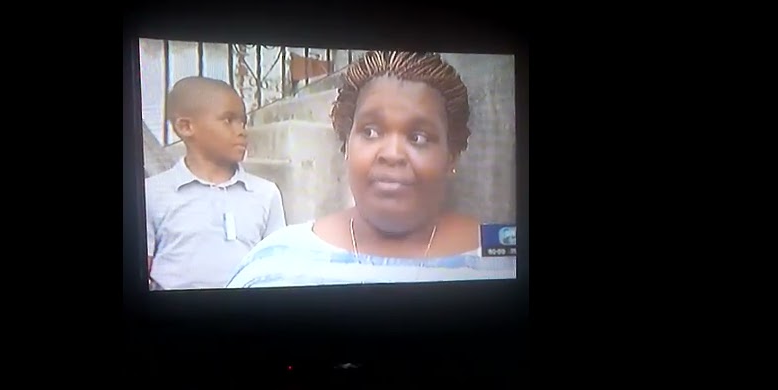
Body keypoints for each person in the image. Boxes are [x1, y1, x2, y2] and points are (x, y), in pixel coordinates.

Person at [226, 51, 515, 288]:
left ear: (451, 156)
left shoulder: (505, 257)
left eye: (419, 137)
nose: (392, 154)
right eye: (371, 131)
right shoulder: (275, 265)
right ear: (346, 144)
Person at [145, 76, 287, 290]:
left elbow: (276, 263)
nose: (241, 131)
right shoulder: (151, 194)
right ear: (185, 127)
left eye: (243, 122)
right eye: (228, 120)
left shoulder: (265, 193)